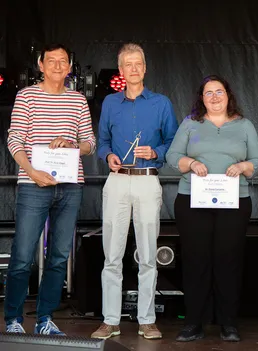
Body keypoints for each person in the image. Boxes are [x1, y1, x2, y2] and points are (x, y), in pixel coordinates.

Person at [4, 43, 96, 335]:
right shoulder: (27, 96)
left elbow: (90, 143)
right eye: (52, 60)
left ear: (70, 68)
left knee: (58, 257)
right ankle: (14, 320)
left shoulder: (78, 100)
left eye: (64, 61)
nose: (58, 65)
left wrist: (72, 145)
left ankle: (45, 319)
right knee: (22, 255)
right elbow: (15, 139)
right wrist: (31, 171)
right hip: (33, 185)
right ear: (40, 65)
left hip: (69, 187)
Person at [166, 75, 258, 342]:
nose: (214, 97)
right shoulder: (190, 124)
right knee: (196, 260)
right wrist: (190, 163)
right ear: (201, 98)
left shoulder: (244, 125)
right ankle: (193, 322)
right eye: (208, 93)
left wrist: (244, 167)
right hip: (193, 201)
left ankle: (228, 322)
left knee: (228, 260)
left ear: (228, 95)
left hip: (234, 201)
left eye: (219, 92)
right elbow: (172, 156)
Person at [91, 43, 178, 340]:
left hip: (146, 179)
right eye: (128, 64)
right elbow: (102, 141)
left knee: (148, 254)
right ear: (121, 70)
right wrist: (107, 156)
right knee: (112, 254)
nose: (133, 68)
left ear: (145, 67)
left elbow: (173, 142)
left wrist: (155, 152)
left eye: (138, 62)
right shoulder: (111, 104)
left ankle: (147, 319)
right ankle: (110, 319)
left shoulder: (161, 103)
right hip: (117, 180)